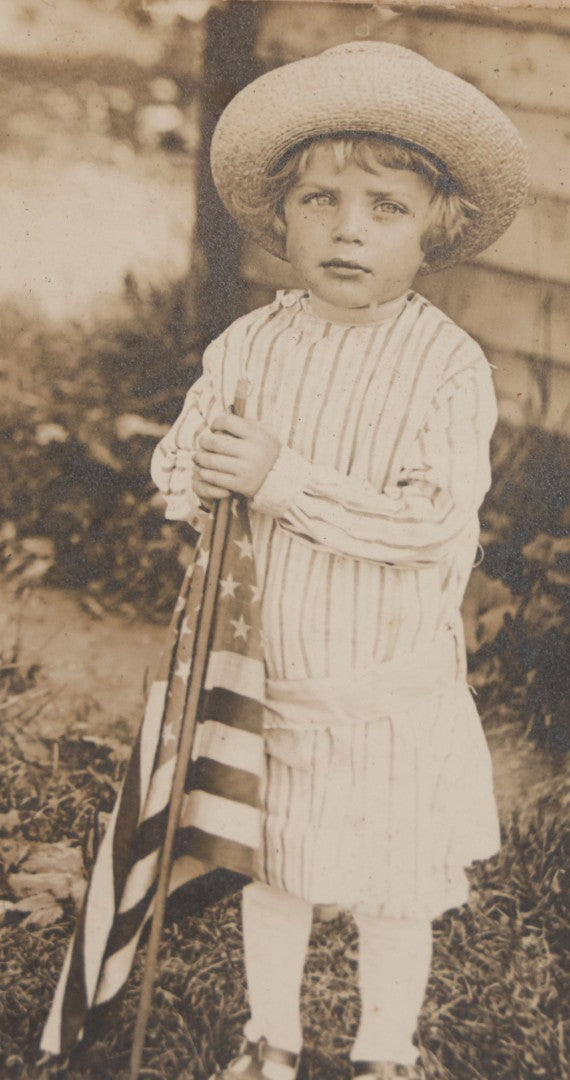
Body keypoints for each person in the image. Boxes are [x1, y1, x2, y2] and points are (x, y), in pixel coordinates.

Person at [150, 41, 528, 1080]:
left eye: (386, 207)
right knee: (276, 873)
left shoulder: (444, 365)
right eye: (320, 200)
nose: (349, 228)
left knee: (390, 887)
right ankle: (271, 1040)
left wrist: (280, 480)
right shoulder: (248, 347)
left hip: (386, 693)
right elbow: (179, 471)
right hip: (273, 683)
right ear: (280, 219)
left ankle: (384, 1051)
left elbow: (430, 525)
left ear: (435, 230)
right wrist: (199, 470)